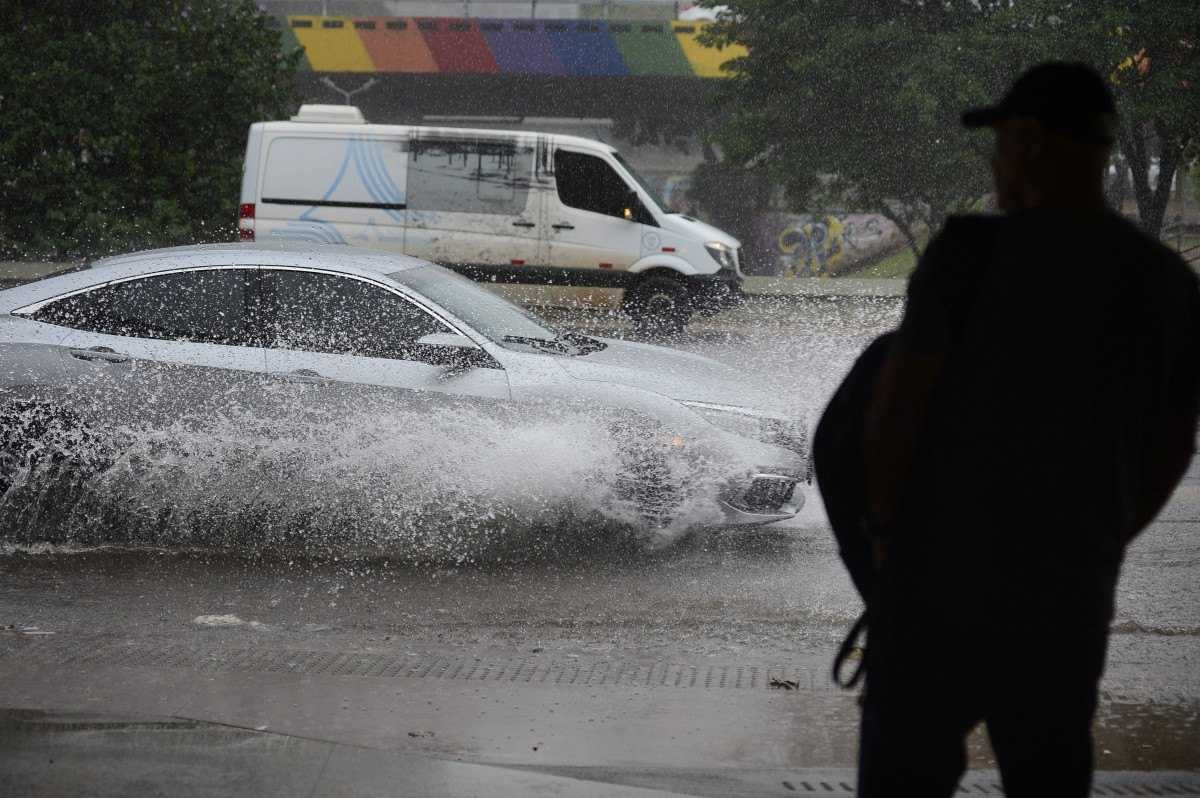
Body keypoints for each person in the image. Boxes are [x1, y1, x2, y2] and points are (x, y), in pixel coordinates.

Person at [854, 62, 1200, 796]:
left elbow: (894, 412)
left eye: (1004, 141)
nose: (996, 161)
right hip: (1065, 598)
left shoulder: (969, 256)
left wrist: (885, 544)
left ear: (1034, 144)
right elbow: (1174, 444)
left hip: (933, 585)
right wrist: (1098, 538)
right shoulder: (1163, 281)